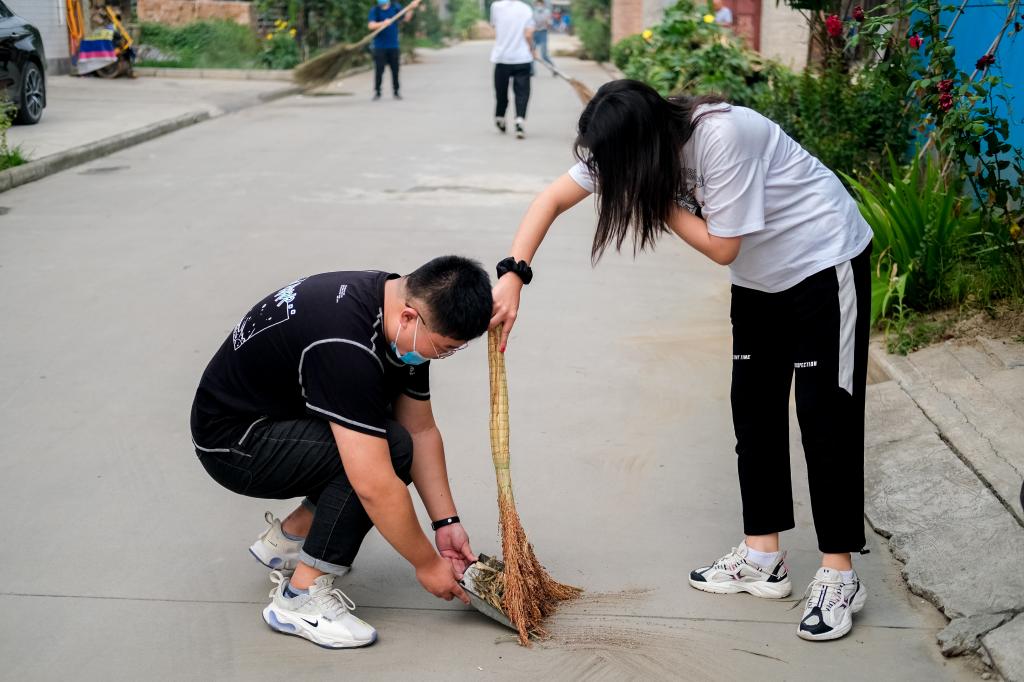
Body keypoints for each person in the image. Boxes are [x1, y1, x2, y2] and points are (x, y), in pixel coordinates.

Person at [490, 80, 874, 642]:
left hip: (823, 258)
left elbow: (724, 245)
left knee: (825, 416)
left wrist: (652, 197)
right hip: (761, 281)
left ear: (643, 146)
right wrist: (513, 276)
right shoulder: (630, 145)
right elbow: (549, 200)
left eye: (619, 166)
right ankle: (762, 557)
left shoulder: (723, 136)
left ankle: (840, 572)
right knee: (754, 408)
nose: (609, 175)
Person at [191, 256, 492, 648]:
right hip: (234, 443)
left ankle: (290, 539)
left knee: (395, 438)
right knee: (388, 453)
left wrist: (446, 523)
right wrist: (427, 564)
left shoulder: (396, 306)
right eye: (445, 348)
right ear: (408, 318)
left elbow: (421, 428)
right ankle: (299, 599)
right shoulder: (346, 345)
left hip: (274, 414)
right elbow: (374, 485)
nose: (440, 356)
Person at [490, 0, 536, 139]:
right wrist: (532, 49)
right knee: (522, 93)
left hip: (502, 57)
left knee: (501, 91)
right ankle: (519, 121)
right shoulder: (526, 9)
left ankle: (500, 117)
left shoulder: (496, 7)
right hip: (522, 58)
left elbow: (494, 25)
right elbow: (528, 34)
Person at [368, 0, 420, 100]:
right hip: (379, 47)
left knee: (395, 70)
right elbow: (371, 25)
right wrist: (383, 23)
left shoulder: (395, 8)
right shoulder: (375, 10)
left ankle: (396, 91)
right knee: (379, 70)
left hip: (393, 46)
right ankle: (377, 92)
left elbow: (406, 19)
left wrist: (411, 8)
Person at [532, 0, 556, 70]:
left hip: (543, 33)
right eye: (537, 4)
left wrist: (547, 22)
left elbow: (549, 23)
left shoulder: (547, 12)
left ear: (543, 4)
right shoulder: (532, 12)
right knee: (531, 53)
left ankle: (554, 68)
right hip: (534, 33)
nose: (539, 6)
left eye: (540, 4)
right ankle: (531, 71)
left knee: (544, 55)